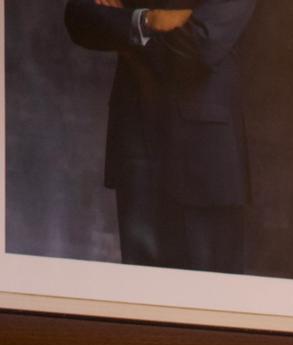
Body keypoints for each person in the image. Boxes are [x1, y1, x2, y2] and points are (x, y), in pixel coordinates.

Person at [64, 0, 257, 273]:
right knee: (141, 296)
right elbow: (80, 15)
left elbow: (198, 46)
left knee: (205, 299)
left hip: (205, 160)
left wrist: (122, 26)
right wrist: (147, 21)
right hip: (136, 146)